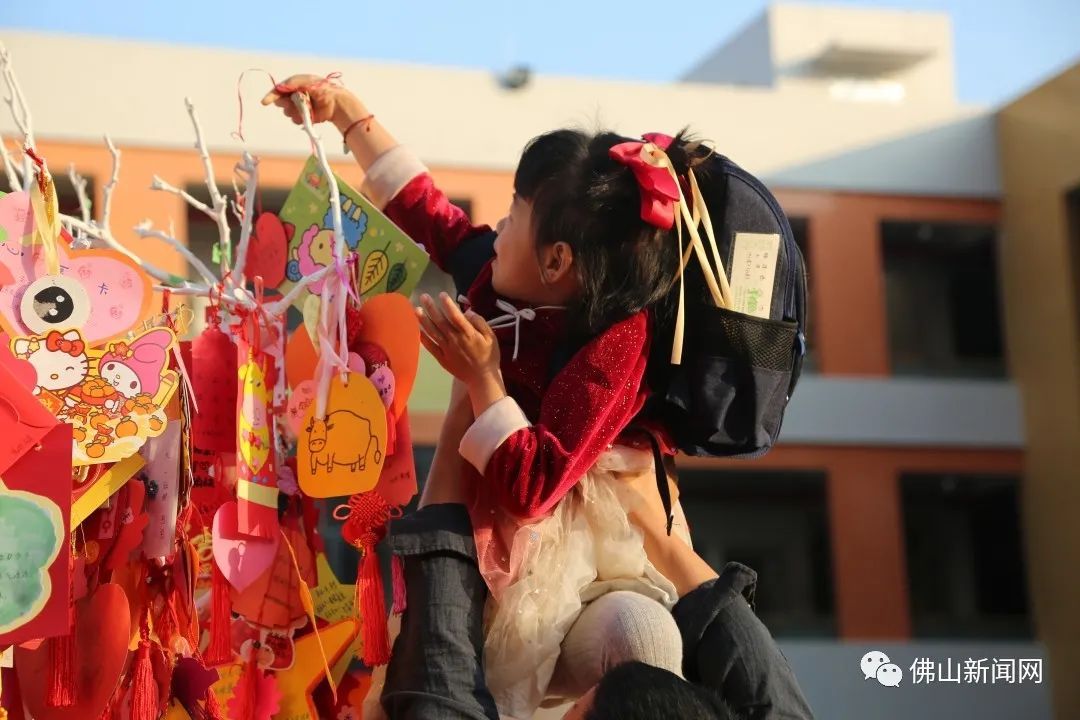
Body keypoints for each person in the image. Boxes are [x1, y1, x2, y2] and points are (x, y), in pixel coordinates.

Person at [265, 76, 700, 717]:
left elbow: (534, 489)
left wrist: (483, 379)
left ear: (556, 263)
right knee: (459, 684)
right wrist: (348, 114)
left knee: (646, 640)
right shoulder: (503, 285)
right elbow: (428, 213)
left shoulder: (617, 346)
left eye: (515, 212)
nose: (496, 224)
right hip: (481, 557)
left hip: (588, 571)